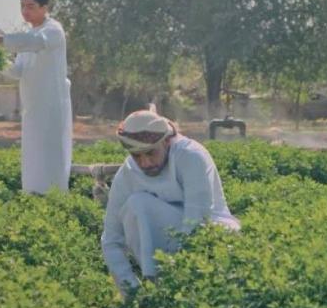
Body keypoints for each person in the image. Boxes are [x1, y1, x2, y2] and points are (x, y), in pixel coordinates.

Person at [100, 108, 241, 297]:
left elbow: (196, 222)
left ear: (166, 141)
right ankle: (154, 289)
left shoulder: (190, 156)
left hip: (211, 233)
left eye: (151, 153)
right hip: (169, 241)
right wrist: (131, 291)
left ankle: (179, 292)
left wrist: (177, 277)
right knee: (137, 204)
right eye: (137, 156)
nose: (145, 163)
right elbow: (111, 239)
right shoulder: (127, 174)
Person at [0, 0, 72, 194]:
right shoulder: (30, 35)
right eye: (22, 6)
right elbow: (18, 71)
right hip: (33, 107)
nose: (25, 11)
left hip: (52, 106)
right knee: (33, 155)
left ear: (44, 7)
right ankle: (33, 195)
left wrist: (4, 41)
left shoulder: (52, 30)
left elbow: (35, 43)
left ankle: (54, 199)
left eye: (31, 6)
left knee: (51, 155)